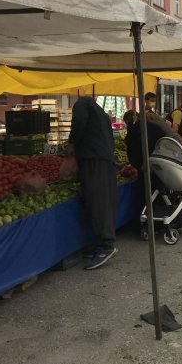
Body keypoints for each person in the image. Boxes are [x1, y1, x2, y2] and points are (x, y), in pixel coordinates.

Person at [67, 97, 117, 270]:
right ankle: (101, 241)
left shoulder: (81, 105)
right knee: (103, 197)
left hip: (93, 157)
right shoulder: (98, 110)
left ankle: (106, 245)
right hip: (104, 157)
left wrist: (72, 143)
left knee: (97, 199)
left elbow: (80, 121)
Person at [123, 109, 167, 232]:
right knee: (157, 193)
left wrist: (139, 164)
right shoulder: (153, 127)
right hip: (159, 165)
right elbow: (164, 140)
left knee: (144, 195)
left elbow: (132, 152)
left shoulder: (132, 132)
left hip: (145, 167)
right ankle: (159, 223)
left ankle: (145, 225)